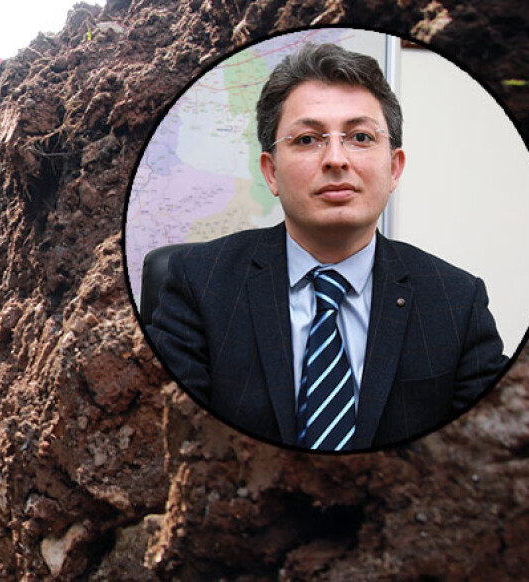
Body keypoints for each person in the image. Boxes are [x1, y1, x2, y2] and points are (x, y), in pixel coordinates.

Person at [145, 43, 508, 451]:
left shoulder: (456, 301)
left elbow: (487, 450)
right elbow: (168, 440)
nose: (336, 159)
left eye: (360, 137)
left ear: (394, 168)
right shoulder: (199, 283)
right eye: (307, 139)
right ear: (271, 172)